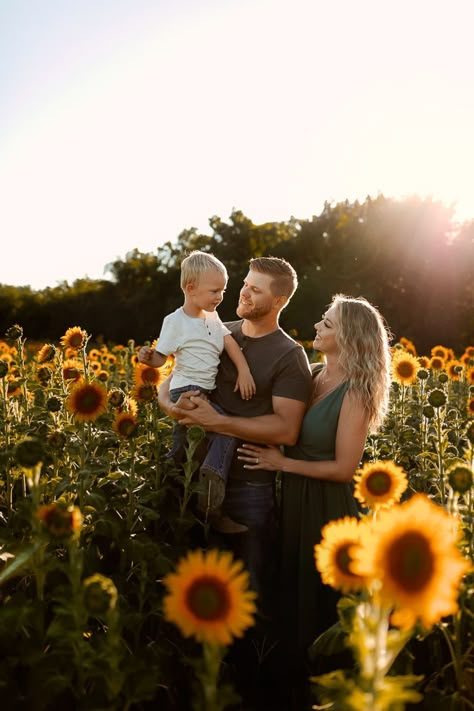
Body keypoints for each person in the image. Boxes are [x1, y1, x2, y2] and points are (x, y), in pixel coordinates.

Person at [236, 294, 392, 706]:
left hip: (329, 506)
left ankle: (331, 691)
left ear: (350, 336)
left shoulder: (357, 391)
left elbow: (344, 469)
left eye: (328, 322)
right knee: (293, 589)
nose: (318, 326)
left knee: (324, 601)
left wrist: (280, 464)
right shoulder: (313, 375)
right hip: (296, 500)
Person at [138, 250, 256, 534]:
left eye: (224, 290)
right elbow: (162, 359)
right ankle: (212, 486)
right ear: (190, 289)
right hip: (186, 389)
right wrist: (147, 357)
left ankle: (159, 505)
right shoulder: (175, 321)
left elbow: (230, 345)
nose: (220, 296)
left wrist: (244, 371)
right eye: (214, 290)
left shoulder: (213, 318)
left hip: (206, 391)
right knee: (226, 430)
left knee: (182, 452)